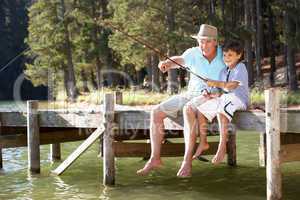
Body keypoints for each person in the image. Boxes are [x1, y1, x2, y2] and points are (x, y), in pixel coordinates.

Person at [136, 24, 226, 176]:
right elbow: (180, 60)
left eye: (207, 41)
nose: (203, 45)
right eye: (200, 41)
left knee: (188, 110)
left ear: (215, 42)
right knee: (156, 112)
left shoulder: (224, 55)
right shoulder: (193, 53)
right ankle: (154, 158)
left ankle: (187, 162)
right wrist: (167, 64)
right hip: (190, 94)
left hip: (209, 97)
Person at [192, 39, 249, 168]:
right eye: (224, 55)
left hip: (239, 99)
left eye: (230, 55)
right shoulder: (223, 71)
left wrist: (215, 83)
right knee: (201, 109)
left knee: (222, 106)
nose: (226, 58)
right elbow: (220, 91)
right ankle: (203, 141)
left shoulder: (241, 67)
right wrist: (209, 92)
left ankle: (222, 146)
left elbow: (232, 86)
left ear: (239, 55)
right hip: (226, 98)